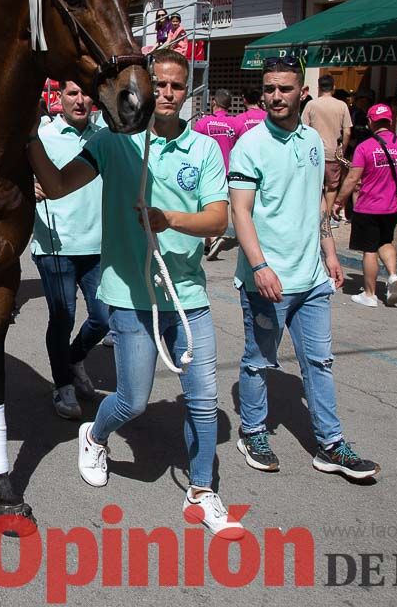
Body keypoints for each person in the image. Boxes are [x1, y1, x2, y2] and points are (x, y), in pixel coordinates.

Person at [29, 49, 244, 538]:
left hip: (186, 293)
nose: (166, 94)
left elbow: (218, 218)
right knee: (132, 401)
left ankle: (203, 490)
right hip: (128, 293)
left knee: (204, 398)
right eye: (159, 85)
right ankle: (95, 435)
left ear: (186, 91)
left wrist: (171, 220)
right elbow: (58, 184)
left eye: (174, 86)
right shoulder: (113, 143)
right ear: (145, 88)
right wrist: (27, 139)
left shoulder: (205, 150)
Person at [228, 56, 379, 481]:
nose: (276, 96)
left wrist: (330, 252)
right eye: (270, 88)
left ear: (302, 92)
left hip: (311, 278)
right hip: (268, 280)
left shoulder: (313, 141)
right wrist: (259, 266)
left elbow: (317, 203)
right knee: (259, 362)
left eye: (285, 88)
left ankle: (331, 445)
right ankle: (253, 430)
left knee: (320, 361)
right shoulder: (250, 144)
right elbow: (241, 212)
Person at [30, 80, 110, 420]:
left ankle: (73, 358)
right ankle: (62, 384)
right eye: (72, 94)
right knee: (62, 318)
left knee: (104, 318)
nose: (80, 100)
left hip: (99, 245)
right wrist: (27, 185)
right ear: (59, 98)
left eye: (85, 93)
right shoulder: (42, 138)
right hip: (55, 246)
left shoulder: (105, 135)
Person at [334, 103, 397, 308]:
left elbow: (352, 178)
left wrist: (339, 202)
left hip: (368, 205)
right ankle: (392, 275)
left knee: (369, 250)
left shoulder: (365, 147)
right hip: (391, 206)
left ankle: (370, 293)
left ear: (370, 122)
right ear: (390, 121)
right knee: (385, 242)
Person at [192, 88, 242, 260]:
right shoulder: (235, 124)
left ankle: (213, 238)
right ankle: (209, 243)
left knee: (205, 206)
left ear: (214, 102)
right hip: (229, 170)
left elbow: (194, 146)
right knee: (222, 205)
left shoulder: (203, 123)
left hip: (208, 170)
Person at [301, 74, 352, 228]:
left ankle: (310, 215)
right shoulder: (342, 105)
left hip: (313, 152)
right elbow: (348, 131)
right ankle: (326, 218)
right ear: (333, 87)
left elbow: (303, 128)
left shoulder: (311, 105)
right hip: (333, 152)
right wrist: (342, 148)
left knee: (312, 184)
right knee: (332, 186)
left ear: (318, 87)